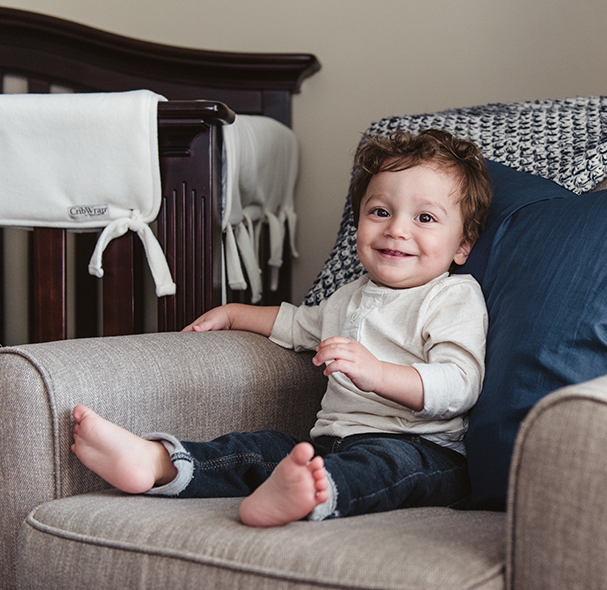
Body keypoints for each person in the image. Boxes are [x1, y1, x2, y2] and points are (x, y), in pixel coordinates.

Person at [72, 128, 493, 528]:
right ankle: (159, 463)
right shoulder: (348, 297)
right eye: (380, 212)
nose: (396, 229)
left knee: (380, 466)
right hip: (331, 443)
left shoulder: (452, 296)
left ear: (462, 245)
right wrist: (234, 314)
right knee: (260, 447)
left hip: (424, 451)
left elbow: (460, 384)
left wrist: (379, 373)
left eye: (425, 217)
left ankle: (309, 495)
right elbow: (295, 323)